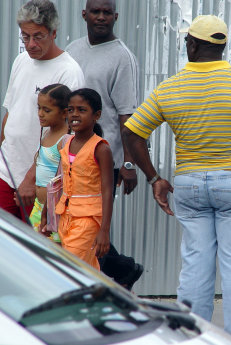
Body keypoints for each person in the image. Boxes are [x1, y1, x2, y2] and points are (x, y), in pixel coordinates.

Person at [122, 15, 231, 345]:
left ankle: (191, 337)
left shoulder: (169, 88)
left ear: (193, 44)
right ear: (222, 47)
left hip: (189, 185)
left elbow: (132, 133)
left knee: (195, 265)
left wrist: (154, 178)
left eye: (187, 41)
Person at [66, 0, 143, 288]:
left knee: (91, 224)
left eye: (106, 13)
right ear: (84, 15)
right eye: (95, 12)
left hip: (103, 157)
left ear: (116, 17)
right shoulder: (73, 50)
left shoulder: (122, 57)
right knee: (75, 223)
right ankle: (121, 270)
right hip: (71, 154)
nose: (101, 17)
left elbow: (127, 116)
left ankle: (119, 270)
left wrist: (128, 164)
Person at [0, 0, 84, 221]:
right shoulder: (21, 61)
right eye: (25, 37)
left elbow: (67, 134)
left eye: (38, 36)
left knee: (34, 247)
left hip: (38, 180)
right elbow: (10, 112)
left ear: (54, 32)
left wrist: (31, 177)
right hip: (6, 170)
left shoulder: (69, 71)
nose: (30, 44)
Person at [55, 88, 113, 270]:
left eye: (82, 110)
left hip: (88, 218)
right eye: (70, 110)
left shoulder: (101, 148)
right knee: (84, 268)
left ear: (96, 115)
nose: (74, 115)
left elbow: (107, 190)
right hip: (65, 215)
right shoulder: (66, 143)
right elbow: (61, 180)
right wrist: (47, 212)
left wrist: (104, 230)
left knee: (70, 266)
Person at [29, 84, 71, 243]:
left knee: (54, 253)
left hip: (54, 210)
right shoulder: (47, 133)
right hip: (38, 206)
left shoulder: (65, 140)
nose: (40, 114)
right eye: (39, 108)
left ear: (65, 112)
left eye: (47, 110)